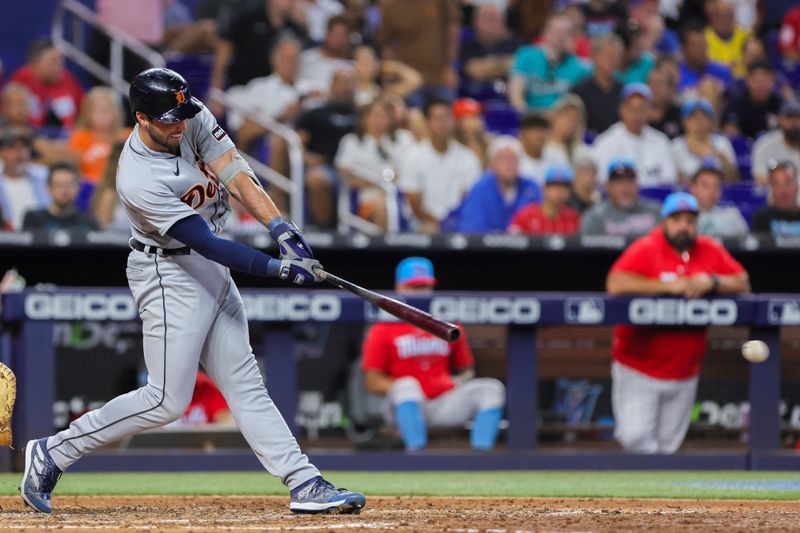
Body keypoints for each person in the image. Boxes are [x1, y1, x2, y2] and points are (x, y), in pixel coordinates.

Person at [19, 68, 365, 515]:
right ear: (141, 118)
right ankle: (53, 451)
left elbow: (236, 174)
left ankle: (304, 483)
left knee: (246, 386)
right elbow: (209, 243)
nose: (180, 125)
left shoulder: (189, 114)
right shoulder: (137, 178)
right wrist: (279, 269)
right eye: (168, 120)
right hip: (167, 273)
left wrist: (282, 228)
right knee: (166, 400)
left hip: (208, 268)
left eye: (182, 115)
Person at [606, 191, 750, 454]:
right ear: (664, 223)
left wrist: (713, 280)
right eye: (677, 219)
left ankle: (655, 497)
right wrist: (667, 286)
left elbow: (742, 281)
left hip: (684, 371)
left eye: (690, 220)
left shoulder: (709, 249)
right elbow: (616, 282)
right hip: (639, 367)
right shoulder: (647, 247)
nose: (685, 226)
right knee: (636, 440)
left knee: (667, 449)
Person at [361, 257, 505, 451]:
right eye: (414, 287)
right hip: (405, 405)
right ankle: (417, 456)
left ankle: (481, 459)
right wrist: (413, 386)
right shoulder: (383, 327)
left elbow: (467, 369)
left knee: (491, 388)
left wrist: (458, 381)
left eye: (425, 286)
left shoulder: (447, 324)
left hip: (444, 401)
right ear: (399, 288)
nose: (421, 293)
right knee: (407, 386)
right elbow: (372, 381)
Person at [399, 98, 482, 233]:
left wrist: (454, 222)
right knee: (429, 229)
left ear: (453, 121)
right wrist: (441, 224)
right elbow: (414, 203)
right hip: (423, 222)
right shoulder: (412, 156)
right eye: (437, 118)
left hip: (459, 221)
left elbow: (470, 198)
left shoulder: (468, 158)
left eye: (446, 118)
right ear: (427, 122)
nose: (442, 123)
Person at [335, 98, 415, 232]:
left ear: (391, 119)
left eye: (384, 115)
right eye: (374, 115)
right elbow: (345, 174)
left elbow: (409, 170)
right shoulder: (351, 142)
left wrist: (387, 182)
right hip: (365, 197)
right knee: (383, 207)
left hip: (400, 195)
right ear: (364, 118)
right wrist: (379, 183)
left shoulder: (403, 139)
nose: (379, 120)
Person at [225, 36, 314, 153]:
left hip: (307, 143)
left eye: (294, 59)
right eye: (286, 58)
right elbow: (242, 132)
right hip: (270, 145)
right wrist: (282, 116)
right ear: (274, 60)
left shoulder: (311, 88)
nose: (291, 64)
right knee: (279, 142)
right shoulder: (259, 88)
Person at [295, 67, 358, 229]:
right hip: (326, 166)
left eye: (349, 82)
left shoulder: (363, 114)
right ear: (331, 85)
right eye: (341, 82)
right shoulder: (315, 113)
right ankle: (325, 230)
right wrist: (306, 157)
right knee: (316, 178)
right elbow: (297, 141)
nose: (345, 86)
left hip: (356, 168)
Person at [210, 0, 307, 96]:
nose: (288, 2)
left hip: (278, 91)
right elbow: (224, 51)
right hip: (243, 88)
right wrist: (216, 90)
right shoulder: (248, 17)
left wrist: (304, 23)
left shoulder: (294, 27)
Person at [378, 0, 461, 106]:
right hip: (409, 80)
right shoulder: (392, 7)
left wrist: (451, 65)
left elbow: (452, 29)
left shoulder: (440, 2)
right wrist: (392, 73)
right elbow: (386, 45)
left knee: (446, 110)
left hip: (439, 76)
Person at [591, 83, 677, 185]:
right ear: (621, 110)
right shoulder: (606, 141)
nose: (637, 115)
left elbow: (669, 180)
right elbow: (601, 180)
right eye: (632, 109)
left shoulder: (661, 141)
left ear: (649, 111)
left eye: (642, 109)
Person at [509, 14, 592, 112]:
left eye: (566, 33)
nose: (560, 37)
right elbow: (516, 97)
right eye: (556, 32)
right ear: (546, 32)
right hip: (532, 119)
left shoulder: (579, 66)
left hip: (563, 122)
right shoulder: (527, 56)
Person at [457, 136, 541, 233]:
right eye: (503, 159)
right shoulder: (480, 189)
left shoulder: (531, 189)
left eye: (513, 159)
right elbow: (472, 227)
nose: (509, 164)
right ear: (492, 164)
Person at [9, 39, 84, 130]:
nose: (59, 66)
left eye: (61, 61)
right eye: (53, 61)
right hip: (29, 137)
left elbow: (84, 111)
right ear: (35, 63)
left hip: (66, 138)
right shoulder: (21, 80)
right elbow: (11, 115)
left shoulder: (67, 79)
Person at [580, 159, 660, 237]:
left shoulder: (656, 211)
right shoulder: (595, 217)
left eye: (630, 181)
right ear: (608, 186)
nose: (625, 188)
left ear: (637, 185)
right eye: (619, 182)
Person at [68, 87, 130, 184]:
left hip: (119, 186)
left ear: (116, 112)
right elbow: (75, 170)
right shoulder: (80, 137)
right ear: (88, 114)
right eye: (98, 110)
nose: (103, 114)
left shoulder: (127, 136)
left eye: (107, 110)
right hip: (88, 188)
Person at [459, 4, 518, 99]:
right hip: (473, 100)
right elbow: (474, 70)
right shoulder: (467, 47)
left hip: (507, 99)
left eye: (495, 19)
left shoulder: (514, 45)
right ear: (476, 22)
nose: (492, 24)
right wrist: (503, 64)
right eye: (487, 19)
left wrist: (487, 65)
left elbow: (517, 66)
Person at [671, 99, 738, 183]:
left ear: (711, 121)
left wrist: (724, 162)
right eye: (693, 118)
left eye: (704, 117)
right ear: (684, 121)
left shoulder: (722, 142)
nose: (699, 122)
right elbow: (672, 178)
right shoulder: (676, 145)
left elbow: (734, 180)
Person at [570, 33, 625, 136]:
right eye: (608, 54)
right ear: (594, 56)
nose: (612, 60)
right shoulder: (579, 92)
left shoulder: (624, 91)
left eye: (616, 56)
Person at [21, 163, 99, 231]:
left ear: (78, 188)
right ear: (48, 188)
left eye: (69, 185)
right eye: (59, 185)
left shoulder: (89, 222)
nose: (64, 191)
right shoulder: (33, 219)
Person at [508, 164, 581, 235]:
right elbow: (511, 241)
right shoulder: (526, 215)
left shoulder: (573, 217)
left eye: (565, 186)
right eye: (554, 185)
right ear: (544, 188)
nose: (560, 190)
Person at [0, 127, 49, 230]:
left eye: (24, 147)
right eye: (12, 147)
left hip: (41, 238)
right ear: (2, 152)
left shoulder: (44, 176)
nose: (19, 152)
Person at [721, 60, 782, 140]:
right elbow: (730, 132)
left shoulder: (781, 105)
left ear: (773, 81)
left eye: (765, 82)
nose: (761, 87)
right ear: (748, 81)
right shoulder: (736, 104)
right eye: (757, 82)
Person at [677, 21, 733, 102]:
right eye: (696, 46)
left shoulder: (722, 72)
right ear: (684, 49)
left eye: (704, 44)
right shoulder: (677, 76)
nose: (702, 50)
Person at [352, 45, 422, 107]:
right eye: (364, 59)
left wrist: (393, 66)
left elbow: (416, 80)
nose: (369, 63)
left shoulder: (382, 92)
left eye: (372, 60)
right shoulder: (349, 90)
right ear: (354, 64)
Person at [689, 165, 748, 237]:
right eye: (705, 186)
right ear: (693, 188)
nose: (711, 191)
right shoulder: (683, 218)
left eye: (716, 186)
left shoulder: (732, 216)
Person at [298, 15, 352, 95]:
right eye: (336, 34)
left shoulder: (348, 67)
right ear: (327, 34)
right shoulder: (306, 58)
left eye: (342, 36)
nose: (339, 39)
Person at [751, 101, 800, 187]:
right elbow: (760, 179)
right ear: (780, 120)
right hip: (776, 198)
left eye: (797, 118)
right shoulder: (765, 145)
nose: (793, 123)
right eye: (789, 118)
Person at [517, 113, 568, 185]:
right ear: (523, 133)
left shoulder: (557, 156)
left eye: (543, 130)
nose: (540, 135)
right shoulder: (513, 157)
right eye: (536, 130)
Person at [752, 161, 800, 236]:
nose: (783, 190)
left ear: (796, 186)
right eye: (776, 184)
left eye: (788, 183)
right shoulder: (762, 218)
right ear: (771, 189)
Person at [705, 0, 751, 78]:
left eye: (729, 17)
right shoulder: (704, 39)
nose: (726, 22)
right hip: (717, 82)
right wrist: (725, 68)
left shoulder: (744, 37)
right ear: (713, 19)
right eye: (722, 17)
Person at [544, 94, 590, 166]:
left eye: (576, 118)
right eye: (567, 116)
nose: (571, 122)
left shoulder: (583, 152)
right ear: (554, 117)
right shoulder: (543, 148)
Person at [646, 57, 682, 139]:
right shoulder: (637, 113)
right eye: (651, 83)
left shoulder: (679, 115)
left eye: (660, 84)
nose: (654, 88)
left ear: (671, 89)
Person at [452, 98, 491, 169]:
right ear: (460, 121)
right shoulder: (452, 147)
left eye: (479, 115)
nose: (479, 120)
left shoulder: (488, 143)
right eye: (473, 116)